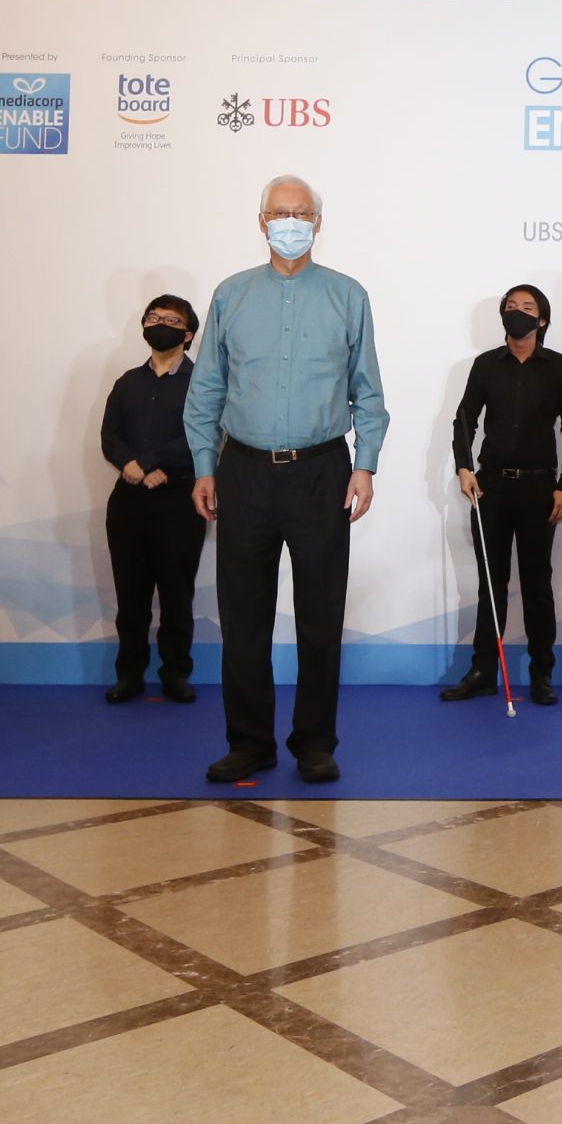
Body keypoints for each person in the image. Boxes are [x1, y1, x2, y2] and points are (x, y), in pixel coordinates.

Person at [184, 174, 387, 785]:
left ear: (318, 223)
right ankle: (248, 743)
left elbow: (367, 391)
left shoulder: (348, 296)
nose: (290, 221)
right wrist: (204, 464)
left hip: (322, 472)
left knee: (320, 617)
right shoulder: (232, 295)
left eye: (301, 212)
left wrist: (365, 464)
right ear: (261, 220)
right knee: (242, 619)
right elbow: (208, 388)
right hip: (242, 469)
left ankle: (315, 743)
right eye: (280, 211)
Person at [444, 283, 562, 706]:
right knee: (492, 582)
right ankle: (484, 669)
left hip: (541, 488)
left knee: (537, 583)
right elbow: (464, 420)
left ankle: (542, 673)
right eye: (511, 307)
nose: (518, 312)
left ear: (542, 319)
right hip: (491, 487)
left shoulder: (558, 367)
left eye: (528, 307)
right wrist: (464, 468)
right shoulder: (486, 365)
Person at [100, 294, 205, 706]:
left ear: (188, 333)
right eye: (153, 317)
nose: (159, 322)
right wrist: (132, 464)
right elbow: (109, 436)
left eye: (171, 318)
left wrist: (150, 462)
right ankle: (129, 675)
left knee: (177, 594)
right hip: (128, 500)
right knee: (131, 595)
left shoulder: (203, 382)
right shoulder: (127, 381)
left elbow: (204, 434)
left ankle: (176, 673)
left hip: (181, 498)